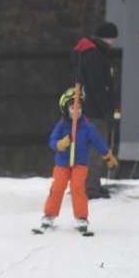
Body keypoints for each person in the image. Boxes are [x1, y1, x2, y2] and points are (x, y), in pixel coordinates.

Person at [39, 87, 118, 233]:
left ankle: (81, 217)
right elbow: (52, 140)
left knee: (78, 189)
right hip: (62, 164)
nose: (76, 110)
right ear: (65, 109)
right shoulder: (62, 125)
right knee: (57, 188)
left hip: (80, 165)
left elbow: (98, 142)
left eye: (79, 107)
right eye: (72, 107)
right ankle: (49, 214)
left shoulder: (87, 127)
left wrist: (108, 156)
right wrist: (59, 144)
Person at [72, 21, 118, 199]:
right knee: (96, 149)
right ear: (107, 38)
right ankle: (90, 187)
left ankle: (90, 184)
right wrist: (107, 110)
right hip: (95, 111)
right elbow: (98, 86)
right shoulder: (95, 56)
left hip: (86, 108)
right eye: (113, 38)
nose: (113, 43)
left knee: (88, 148)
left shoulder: (86, 53)